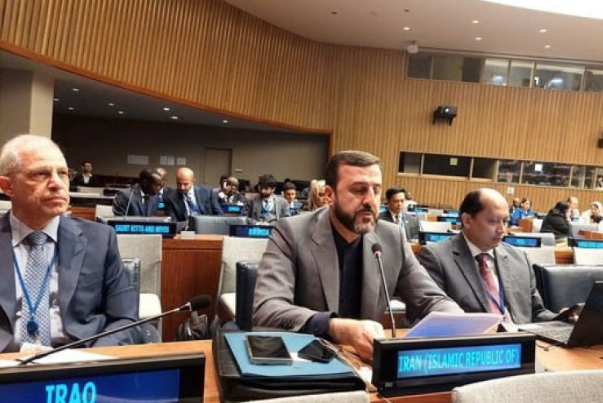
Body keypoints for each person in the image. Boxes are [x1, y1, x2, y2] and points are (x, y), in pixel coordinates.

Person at [253, 150, 462, 361]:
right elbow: (266, 309)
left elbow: (431, 298)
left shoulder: (392, 238)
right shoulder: (291, 232)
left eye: (376, 190)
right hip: (305, 361)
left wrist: (460, 322)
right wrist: (337, 328)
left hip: (365, 363)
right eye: (359, 190)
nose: (370, 201)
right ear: (329, 195)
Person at [0, 134, 140, 352]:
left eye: (63, 173)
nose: (57, 183)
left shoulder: (100, 239)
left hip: (79, 361)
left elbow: (125, 319)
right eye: (41, 174)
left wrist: (92, 360)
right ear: (7, 186)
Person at [414, 188, 556, 325]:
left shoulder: (519, 258)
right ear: (467, 220)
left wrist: (563, 318)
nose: (502, 229)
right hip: (473, 339)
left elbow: (536, 313)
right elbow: (433, 317)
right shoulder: (437, 257)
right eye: (493, 221)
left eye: (505, 221)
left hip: (522, 338)